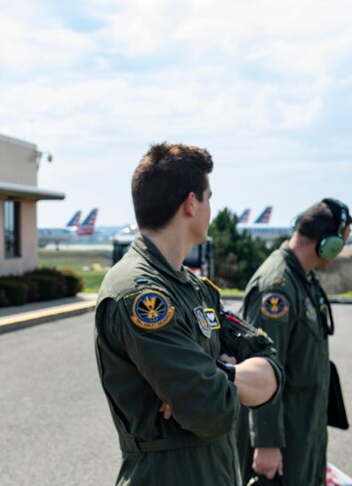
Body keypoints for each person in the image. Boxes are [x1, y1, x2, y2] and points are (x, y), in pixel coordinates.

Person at [94, 142, 283, 486]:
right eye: (209, 197)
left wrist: (219, 372)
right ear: (191, 203)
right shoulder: (142, 295)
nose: (210, 208)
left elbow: (269, 364)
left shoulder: (194, 288)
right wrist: (228, 381)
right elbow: (210, 411)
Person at [237, 198, 352, 486]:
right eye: (341, 242)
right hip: (280, 440)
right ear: (327, 243)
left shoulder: (303, 279)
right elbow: (260, 366)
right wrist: (266, 442)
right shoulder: (277, 289)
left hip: (301, 430)